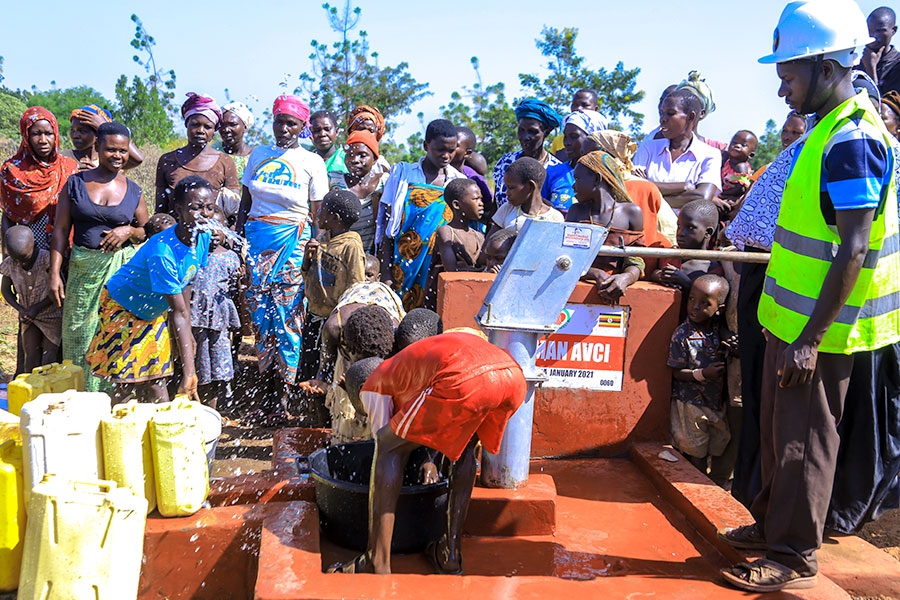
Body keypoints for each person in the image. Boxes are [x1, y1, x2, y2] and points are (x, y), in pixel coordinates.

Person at [719, 1, 900, 592]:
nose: (781, 89)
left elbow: (853, 249)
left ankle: (794, 554)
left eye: (789, 75)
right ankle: (775, 523)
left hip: (817, 330)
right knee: (777, 433)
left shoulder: (852, 140)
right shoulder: (827, 130)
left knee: (803, 440)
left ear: (826, 68)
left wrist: (809, 339)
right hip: (788, 319)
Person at [327, 331, 527, 575]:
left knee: (388, 447)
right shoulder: (407, 370)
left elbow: (384, 445)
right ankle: (450, 554)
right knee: (463, 449)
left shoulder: (373, 385)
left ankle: (375, 559)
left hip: (466, 377)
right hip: (512, 376)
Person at [86, 176, 214, 404]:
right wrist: (189, 372)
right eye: (196, 208)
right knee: (125, 380)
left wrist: (185, 336)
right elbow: (178, 312)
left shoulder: (202, 237)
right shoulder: (162, 252)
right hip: (122, 307)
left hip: (151, 312)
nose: (204, 214)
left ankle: (160, 431)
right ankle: (119, 432)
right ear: (179, 209)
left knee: (157, 376)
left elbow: (186, 286)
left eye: (209, 207)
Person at [236, 94, 328, 393]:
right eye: (279, 122)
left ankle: (286, 394)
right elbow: (245, 203)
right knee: (261, 316)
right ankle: (265, 390)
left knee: (288, 318)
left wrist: (315, 249)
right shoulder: (259, 154)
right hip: (257, 243)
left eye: (291, 124)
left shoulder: (311, 161)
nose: (283, 129)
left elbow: (318, 214)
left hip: (293, 245)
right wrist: (239, 244)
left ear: (302, 126)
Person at [49, 121, 149, 393]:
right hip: (83, 271)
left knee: (114, 335)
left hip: (119, 275)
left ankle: (110, 400)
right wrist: (54, 273)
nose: (117, 156)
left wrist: (128, 230)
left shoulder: (134, 190)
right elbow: (60, 231)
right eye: (111, 150)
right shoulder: (76, 183)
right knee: (78, 335)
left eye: (123, 150)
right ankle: (79, 398)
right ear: (97, 148)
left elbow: (146, 230)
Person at [379, 119, 464, 311]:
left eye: (451, 150)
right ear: (426, 145)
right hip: (402, 265)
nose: (446, 155)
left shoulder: (458, 182)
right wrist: (385, 272)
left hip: (436, 267)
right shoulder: (402, 174)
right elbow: (387, 225)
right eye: (440, 149)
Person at [667, 274, 734, 475]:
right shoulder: (682, 334)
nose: (695, 307)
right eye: (692, 300)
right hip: (690, 404)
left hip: (714, 402)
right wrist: (703, 373)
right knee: (695, 450)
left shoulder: (718, 331)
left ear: (718, 310)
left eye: (704, 303)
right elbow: (677, 372)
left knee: (717, 443)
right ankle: (696, 486)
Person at [300, 189, 365, 393]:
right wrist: (307, 259)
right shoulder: (322, 238)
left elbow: (357, 286)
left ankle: (326, 418)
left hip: (334, 322)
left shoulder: (351, 246)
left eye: (323, 210)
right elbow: (309, 277)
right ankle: (309, 416)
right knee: (310, 368)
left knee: (328, 373)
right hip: (314, 316)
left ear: (334, 218)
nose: (318, 213)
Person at [568, 151, 644, 304]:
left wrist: (626, 278)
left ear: (597, 179)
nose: (573, 185)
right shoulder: (576, 212)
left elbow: (636, 261)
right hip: (577, 292)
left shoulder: (631, 212)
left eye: (577, 178)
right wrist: (595, 273)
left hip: (615, 293)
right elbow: (567, 259)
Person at [0, 107, 78, 249]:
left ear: (56, 135)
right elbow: (8, 217)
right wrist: (8, 258)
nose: (43, 140)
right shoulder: (11, 171)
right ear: (26, 135)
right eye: (36, 134)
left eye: (48, 133)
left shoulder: (69, 168)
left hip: (65, 250)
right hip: (28, 253)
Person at [583, 130, 676, 248]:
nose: (582, 160)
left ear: (608, 157)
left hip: (643, 259)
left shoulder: (645, 188)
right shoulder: (584, 187)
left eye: (589, 155)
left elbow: (669, 231)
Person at [633, 89, 722, 209]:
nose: (662, 119)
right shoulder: (649, 148)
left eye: (670, 113)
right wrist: (682, 187)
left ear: (690, 116)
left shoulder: (710, 154)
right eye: (661, 113)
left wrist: (649, 189)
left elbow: (702, 197)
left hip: (682, 227)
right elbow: (634, 188)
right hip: (645, 225)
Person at [155, 92, 239, 215]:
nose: (200, 130)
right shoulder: (167, 161)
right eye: (195, 125)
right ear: (186, 125)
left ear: (214, 131)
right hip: (175, 231)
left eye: (207, 127)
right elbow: (160, 210)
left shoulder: (225, 162)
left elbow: (233, 210)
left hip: (214, 231)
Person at [191, 206, 241, 409]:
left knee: (220, 360)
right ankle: (202, 405)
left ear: (227, 230)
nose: (213, 233)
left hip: (219, 317)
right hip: (196, 317)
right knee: (201, 361)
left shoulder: (231, 257)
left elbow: (236, 291)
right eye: (207, 228)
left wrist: (240, 280)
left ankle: (217, 406)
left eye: (218, 227)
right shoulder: (193, 254)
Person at [1, 226, 61, 372]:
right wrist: (20, 309)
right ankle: (30, 389)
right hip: (28, 317)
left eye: (24, 259)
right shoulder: (10, 263)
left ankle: (48, 391)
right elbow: (5, 289)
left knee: (49, 358)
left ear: (34, 246)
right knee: (30, 356)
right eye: (16, 259)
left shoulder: (47, 259)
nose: (21, 263)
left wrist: (37, 307)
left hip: (52, 316)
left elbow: (59, 288)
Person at [492, 99, 563, 208]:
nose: (525, 137)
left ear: (546, 133)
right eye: (521, 130)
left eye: (533, 131)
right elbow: (495, 205)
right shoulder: (505, 162)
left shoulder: (555, 169)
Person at [328, 128, 386, 253]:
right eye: (350, 154)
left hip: (372, 256)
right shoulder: (334, 179)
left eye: (362, 155)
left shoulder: (384, 183)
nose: (354, 160)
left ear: (375, 159)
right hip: (339, 254)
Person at [542, 109, 608, 214]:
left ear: (592, 138)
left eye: (574, 137)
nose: (567, 142)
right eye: (565, 137)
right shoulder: (552, 172)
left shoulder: (605, 176)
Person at [649, 199, 722, 294]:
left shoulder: (712, 268)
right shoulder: (669, 255)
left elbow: (706, 298)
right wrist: (660, 276)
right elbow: (653, 273)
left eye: (690, 228)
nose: (681, 233)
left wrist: (686, 283)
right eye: (679, 226)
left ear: (708, 233)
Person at [489, 156, 563, 237]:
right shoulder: (507, 210)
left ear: (530, 186)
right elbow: (488, 246)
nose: (507, 193)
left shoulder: (554, 218)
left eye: (511, 188)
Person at [64, 104, 143, 172]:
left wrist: (105, 127)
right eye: (72, 130)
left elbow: (138, 159)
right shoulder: (64, 157)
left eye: (83, 131)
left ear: (98, 134)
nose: (75, 135)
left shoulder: (110, 160)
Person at [433, 179, 485, 272]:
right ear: (456, 205)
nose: (481, 203)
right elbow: (452, 271)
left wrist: (468, 270)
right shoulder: (446, 233)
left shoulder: (479, 237)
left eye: (481, 199)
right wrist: (478, 270)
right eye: (475, 199)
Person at [218, 101, 255, 219]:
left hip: (247, 215)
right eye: (222, 125)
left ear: (244, 127)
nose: (226, 129)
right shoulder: (212, 153)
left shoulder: (255, 157)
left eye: (232, 124)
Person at [450, 127, 494, 225]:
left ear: (467, 153)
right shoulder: (437, 172)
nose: (449, 147)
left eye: (455, 145)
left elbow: (488, 205)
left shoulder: (472, 177)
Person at [674, 70, 726, 150]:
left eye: (689, 104)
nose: (681, 108)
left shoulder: (718, 150)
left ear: (702, 113)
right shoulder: (656, 143)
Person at [750, 112, 807, 182]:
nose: (786, 137)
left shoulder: (812, 170)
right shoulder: (767, 170)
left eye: (795, 132)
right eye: (784, 131)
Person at [549, 89, 604, 160]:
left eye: (584, 105)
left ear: (596, 109)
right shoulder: (558, 141)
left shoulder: (606, 142)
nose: (578, 108)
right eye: (574, 105)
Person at [859, 7, 900, 95]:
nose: (874, 36)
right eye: (869, 30)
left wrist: (871, 69)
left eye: (880, 30)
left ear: (893, 31)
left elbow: (885, 107)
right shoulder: (856, 65)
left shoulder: (897, 65)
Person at [347, 105, 391, 174]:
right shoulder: (338, 160)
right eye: (361, 129)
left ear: (378, 134)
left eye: (371, 131)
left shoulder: (382, 167)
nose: (365, 134)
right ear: (351, 132)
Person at [720, 130, 758, 203]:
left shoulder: (741, 166)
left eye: (743, 145)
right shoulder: (727, 161)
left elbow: (741, 188)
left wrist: (722, 195)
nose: (737, 146)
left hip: (733, 197)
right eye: (734, 143)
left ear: (751, 155)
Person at [310, 110, 347, 175]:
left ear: (337, 131)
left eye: (327, 129)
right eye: (316, 130)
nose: (322, 134)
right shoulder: (305, 161)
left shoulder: (346, 160)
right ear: (310, 133)